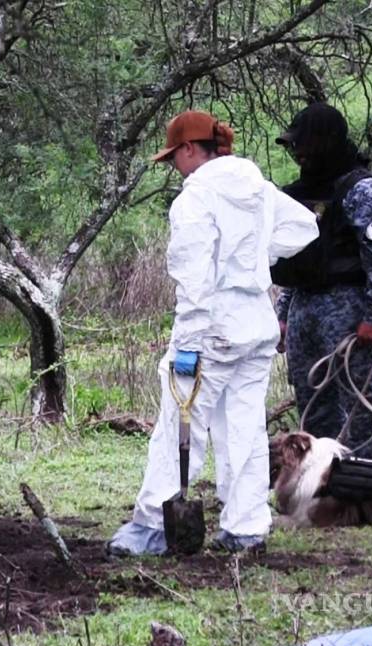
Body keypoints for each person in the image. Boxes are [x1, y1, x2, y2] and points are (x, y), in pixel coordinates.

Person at [108, 110, 319, 555]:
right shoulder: (259, 191)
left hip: (213, 330)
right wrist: (257, 257)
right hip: (256, 327)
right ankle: (246, 527)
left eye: (174, 157)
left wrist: (186, 343)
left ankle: (153, 526)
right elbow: (305, 226)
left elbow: (194, 279)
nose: (173, 167)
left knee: (178, 427)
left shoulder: (195, 199)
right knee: (242, 428)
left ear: (189, 149)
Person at [272, 103, 372, 460]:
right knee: (311, 400)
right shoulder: (297, 194)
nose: (298, 154)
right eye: (294, 147)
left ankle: (364, 483)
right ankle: (322, 485)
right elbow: (297, 259)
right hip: (304, 308)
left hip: (348, 307)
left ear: (324, 142)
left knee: (359, 402)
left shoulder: (364, 191)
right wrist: (283, 314)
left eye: (304, 146)